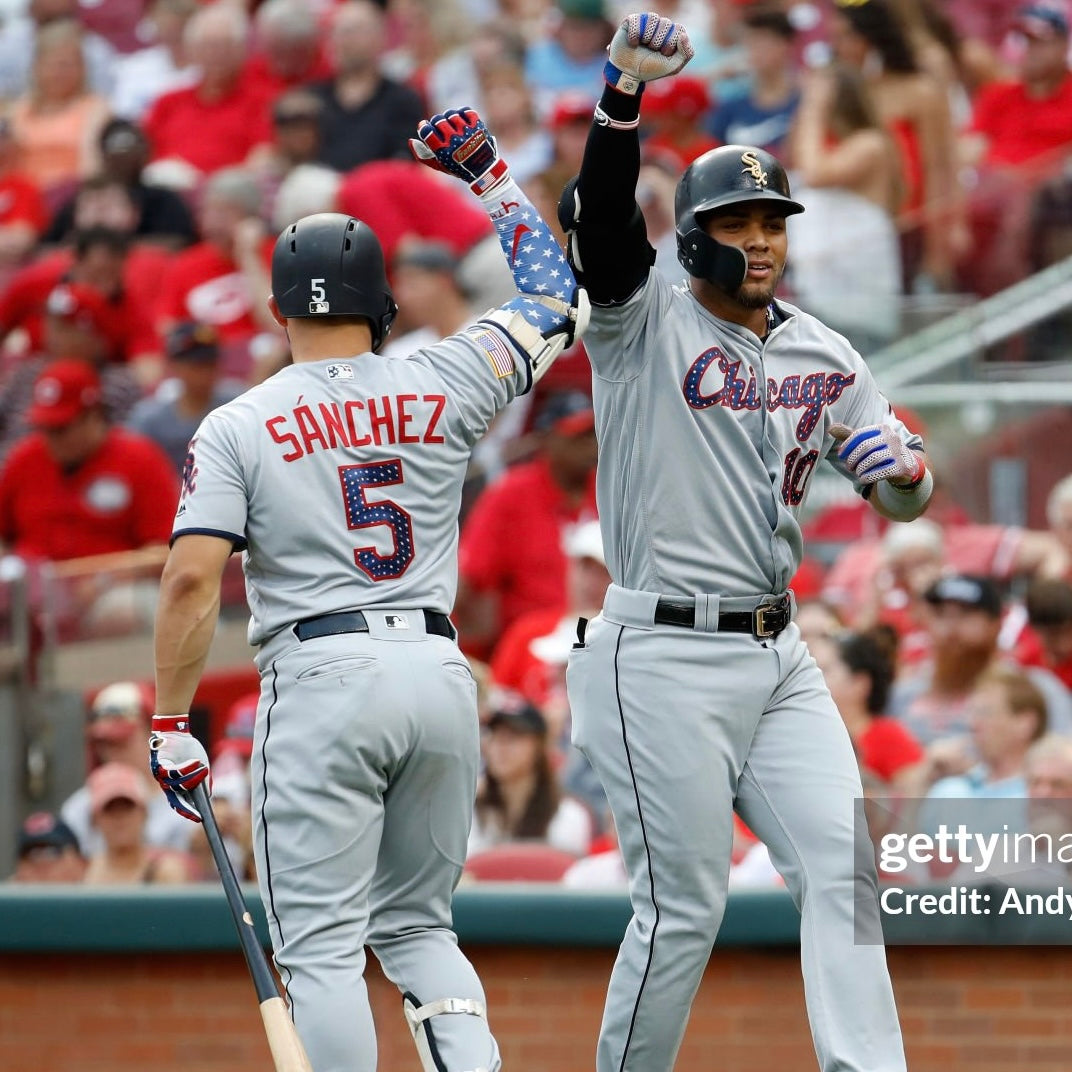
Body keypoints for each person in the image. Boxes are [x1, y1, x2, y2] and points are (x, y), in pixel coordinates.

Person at [147, 106, 588, 1072]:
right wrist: (489, 179)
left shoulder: (240, 422)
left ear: (279, 313)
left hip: (320, 674)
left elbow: (189, 576)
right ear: (380, 307)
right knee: (423, 930)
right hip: (435, 670)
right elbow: (559, 296)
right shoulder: (443, 373)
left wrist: (171, 720)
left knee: (321, 950)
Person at [557, 13, 928, 1070]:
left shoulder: (822, 347)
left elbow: (892, 480)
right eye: (739, 221)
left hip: (777, 651)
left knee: (843, 872)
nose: (761, 238)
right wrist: (621, 96)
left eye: (773, 220)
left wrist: (907, 478)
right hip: (658, 650)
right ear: (692, 234)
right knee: (682, 908)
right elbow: (605, 229)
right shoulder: (641, 317)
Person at [467, 694, 594, 857]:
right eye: (494, 736)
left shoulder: (568, 814)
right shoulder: (471, 811)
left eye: (512, 737)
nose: (500, 747)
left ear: (538, 746)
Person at [81, 761, 194, 884]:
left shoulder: (165, 871)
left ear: (144, 813)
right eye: (110, 810)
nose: (120, 818)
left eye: (127, 808)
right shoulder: (84, 873)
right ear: (95, 819)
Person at [10, 811, 86, 882]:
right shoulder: (6, 893)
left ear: (80, 862)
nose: (41, 864)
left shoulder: (95, 890)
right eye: (32, 854)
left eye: (51, 852)